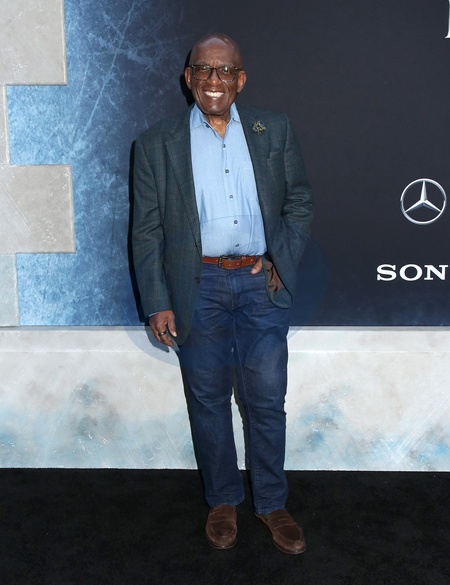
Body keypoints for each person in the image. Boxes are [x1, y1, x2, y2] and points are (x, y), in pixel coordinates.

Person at [132, 33, 313, 554]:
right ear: (188, 78)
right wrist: (157, 300)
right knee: (208, 399)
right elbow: (146, 230)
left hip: (259, 284)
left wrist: (279, 259)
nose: (215, 80)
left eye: (225, 70)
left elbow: (299, 202)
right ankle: (223, 500)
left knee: (266, 399)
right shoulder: (156, 143)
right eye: (204, 70)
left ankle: (272, 503)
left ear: (241, 79)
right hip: (198, 286)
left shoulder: (273, 129)